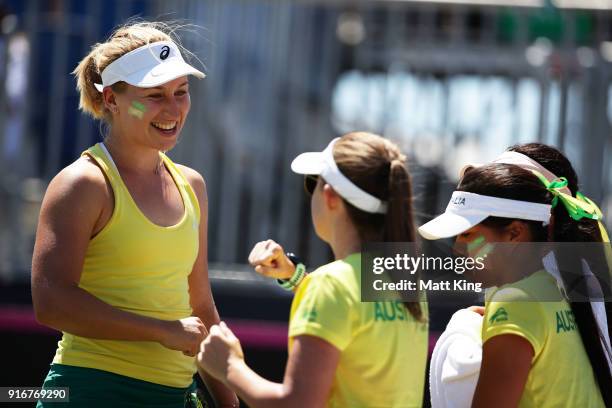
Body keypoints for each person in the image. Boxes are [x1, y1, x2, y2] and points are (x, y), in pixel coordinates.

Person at [31, 21, 238, 407]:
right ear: (111, 100)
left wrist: (228, 401)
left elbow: (201, 305)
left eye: (181, 92)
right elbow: (51, 301)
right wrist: (161, 331)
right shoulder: (82, 183)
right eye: (155, 95)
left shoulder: (192, 185)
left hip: (177, 395)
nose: (174, 108)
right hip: (90, 392)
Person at [197, 132, 429, 407]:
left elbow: (296, 403)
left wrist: (229, 367)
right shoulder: (404, 280)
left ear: (330, 197)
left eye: (312, 183)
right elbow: (353, 313)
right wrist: (295, 277)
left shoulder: (329, 286)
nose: (310, 193)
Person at [419, 163, 609, 407]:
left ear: (514, 233)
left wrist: (469, 322)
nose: (457, 248)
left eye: (468, 234)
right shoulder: (558, 286)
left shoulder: (515, 302)